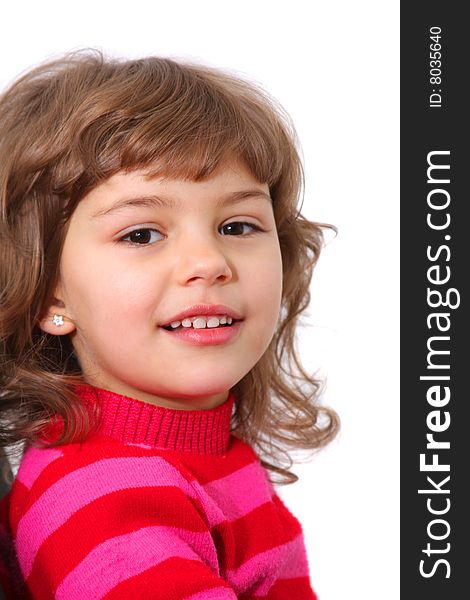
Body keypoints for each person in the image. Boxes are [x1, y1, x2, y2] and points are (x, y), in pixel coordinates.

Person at [0, 50, 339, 599]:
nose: (208, 261)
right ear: (48, 295)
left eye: (237, 224)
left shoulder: (197, 456)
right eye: (142, 235)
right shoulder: (107, 500)